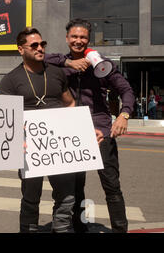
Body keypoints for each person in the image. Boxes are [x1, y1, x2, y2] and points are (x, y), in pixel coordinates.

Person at [45, 18, 135, 233]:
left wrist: (124, 114)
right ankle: (79, 227)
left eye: (83, 37)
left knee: (111, 186)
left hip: (101, 130)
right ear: (67, 39)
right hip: (71, 131)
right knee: (75, 187)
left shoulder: (102, 64)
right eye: (74, 37)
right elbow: (36, 58)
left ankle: (120, 229)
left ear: (89, 39)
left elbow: (126, 90)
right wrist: (68, 63)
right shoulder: (58, 63)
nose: (78, 41)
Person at [0, 27, 77, 233]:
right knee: (31, 198)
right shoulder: (10, 80)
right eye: (34, 45)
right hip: (28, 150)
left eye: (42, 44)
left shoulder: (57, 73)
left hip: (58, 146)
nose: (40, 48)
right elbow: (5, 118)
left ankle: (61, 229)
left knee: (66, 196)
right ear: (20, 49)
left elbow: (70, 103)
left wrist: (70, 128)